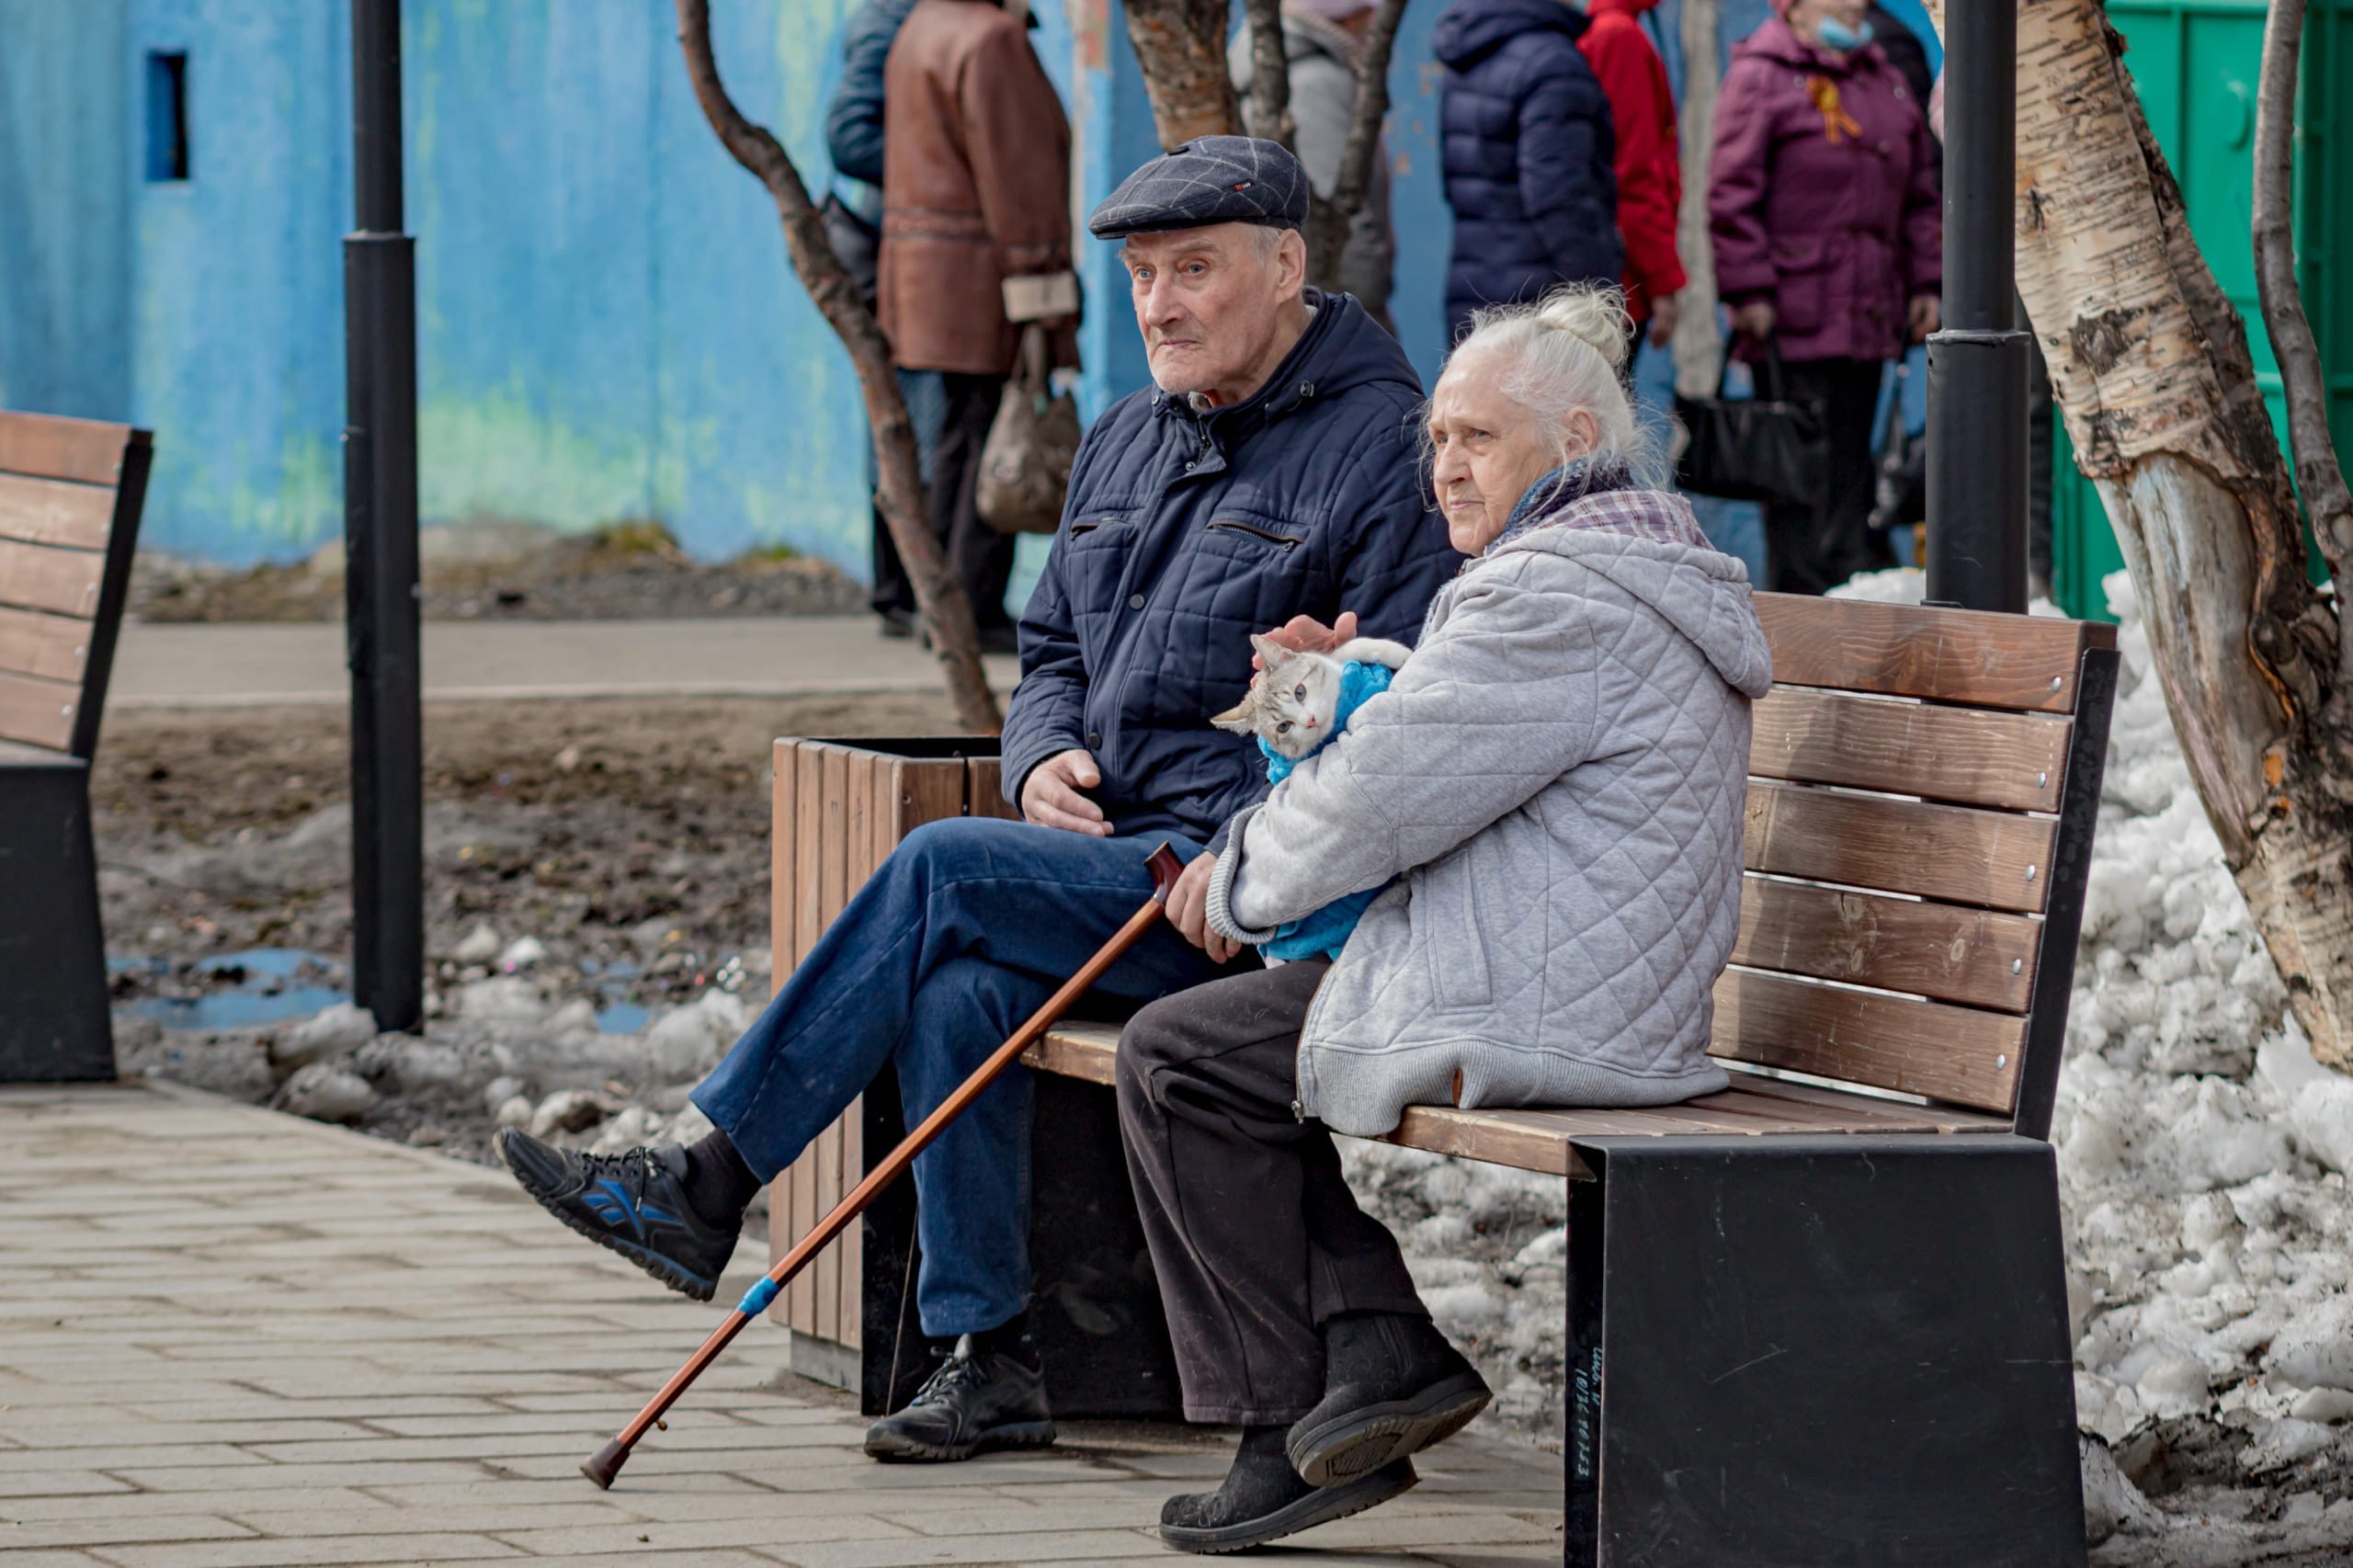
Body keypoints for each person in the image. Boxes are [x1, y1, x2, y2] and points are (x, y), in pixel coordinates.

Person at [494, 137, 1460, 1468]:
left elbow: (1395, 724)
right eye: (1140, 277)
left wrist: (1249, 858)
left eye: (1195, 270)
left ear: (1286, 268)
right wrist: (1038, 759)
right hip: (1107, 858)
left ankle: (707, 1179)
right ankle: (987, 1354)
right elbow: (1051, 648)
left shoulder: (1381, 452)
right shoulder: (1128, 434)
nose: (1162, 305)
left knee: (943, 871)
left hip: (1239, 890)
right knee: (958, 979)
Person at [1120, 285, 1770, 1553]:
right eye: (1437, 439)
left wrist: (1239, 880)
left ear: (1575, 440)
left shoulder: (1561, 597)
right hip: (1571, 972)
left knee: (1181, 1062)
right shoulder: (1599, 574)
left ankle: (1298, 1407)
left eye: (1475, 438)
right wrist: (1338, 687)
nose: (1444, 468)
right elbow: (1434, 743)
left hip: (1550, 997)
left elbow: (1387, 790)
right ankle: (1374, 1339)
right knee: (1213, 1052)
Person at [1708, 0, 1939, 595]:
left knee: (1848, 471)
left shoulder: (1880, 77)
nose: (1857, 3)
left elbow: (1919, 194)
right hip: (1792, 319)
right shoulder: (1762, 74)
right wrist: (1749, 290)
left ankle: (1845, 601)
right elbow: (1731, 195)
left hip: (1869, 314)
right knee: (1797, 480)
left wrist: (1926, 283)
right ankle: (1800, 607)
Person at [876, 0, 1076, 653]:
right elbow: (1019, 179)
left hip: (926, 271)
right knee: (992, 438)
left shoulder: (923, 25)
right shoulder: (991, 39)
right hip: (980, 274)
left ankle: (941, 602)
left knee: (960, 441)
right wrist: (1044, 288)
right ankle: (968, 604)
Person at [819, 0, 947, 641]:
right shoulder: (891, 18)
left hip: (905, 241)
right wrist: (942, 177)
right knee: (906, 418)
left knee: (912, 417)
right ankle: (897, 589)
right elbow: (849, 138)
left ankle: (903, 591)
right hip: (886, 245)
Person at [1432, 0, 1623, 343]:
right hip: (1543, 301)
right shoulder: (1554, 63)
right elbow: (1560, 194)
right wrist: (1598, 296)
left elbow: (1456, 182)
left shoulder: (1469, 52)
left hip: (1474, 288)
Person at [1229, 0, 1397, 333]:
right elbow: (1337, 219)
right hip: (1336, 307)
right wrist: (1366, 308)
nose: (1373, 21)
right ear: (1343, 14)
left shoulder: (1296, 72)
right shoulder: (1316, 83)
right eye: (1366, 11)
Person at [1577, 0, 1686, 348]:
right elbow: (1633, 172)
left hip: (1615, 266)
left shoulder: (1610, 29)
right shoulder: (1619, 36)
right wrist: (1661, 282)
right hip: (1623, 277)